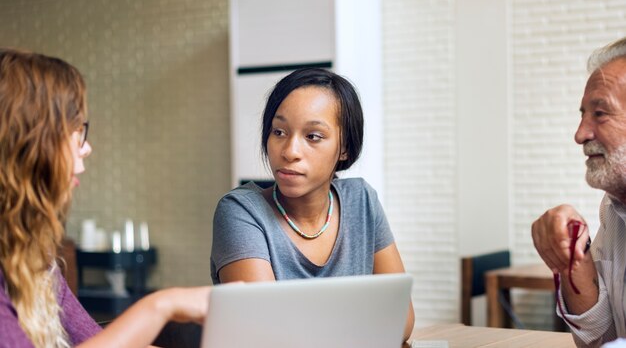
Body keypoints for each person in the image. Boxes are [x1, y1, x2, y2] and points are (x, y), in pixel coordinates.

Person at [0, 48, 210, 348]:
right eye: (75, 130)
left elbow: (99, 341)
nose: (86, 148)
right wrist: (162, 305)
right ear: (32, 142)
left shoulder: (34, 257)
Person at [210, 67, 415, 340]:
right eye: (279, 131)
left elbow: (401, 320)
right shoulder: (240, 212)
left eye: (313, 136)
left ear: (344, 148)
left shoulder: (362, 201)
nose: (290, 151)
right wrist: (361, 323)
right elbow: (266, 334)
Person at [532, 37, 626, 347]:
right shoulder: (614, 209)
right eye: (582, 114)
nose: (580, 134)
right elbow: (600, 340)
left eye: (600, 114)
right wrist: (573, 255)